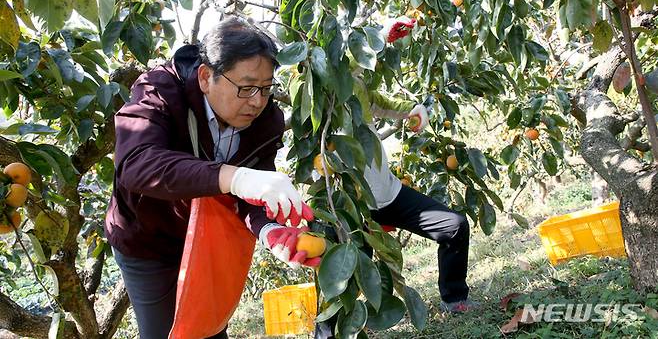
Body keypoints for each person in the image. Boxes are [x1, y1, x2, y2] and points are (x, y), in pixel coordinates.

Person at [105, 17, 319, 339]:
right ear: (206, 77)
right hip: (148, 240)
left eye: (265, 88)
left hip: (208, 241)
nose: (257, 101)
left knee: (210, 326)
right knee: (168, 333)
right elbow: (136, 164)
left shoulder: (266, 122)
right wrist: (233, 177)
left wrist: (270, 230)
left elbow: (251, 195)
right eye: (246, 87)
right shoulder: (160, 91)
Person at [314, 21, 476, 339]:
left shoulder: (357, 88)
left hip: (389, 195)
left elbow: (382, 101)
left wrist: (414, 109)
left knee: (454, 226)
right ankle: (326, 334)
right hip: (352, 207)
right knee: (341, 276)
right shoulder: (323, 94)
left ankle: (454, 297)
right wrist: (381, 37)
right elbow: (337, 63)